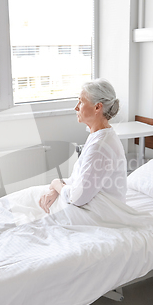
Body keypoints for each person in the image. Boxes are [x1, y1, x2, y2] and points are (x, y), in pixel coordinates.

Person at [39, 78, 127, 213]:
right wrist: (57, 189)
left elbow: (78, 198)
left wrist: (56, 184)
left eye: (81, 101)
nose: (76, 107)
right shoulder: (100, 136)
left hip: (99, 212)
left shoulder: (100, 146)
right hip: (92, 203)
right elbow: (80, 182)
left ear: (97, 107)